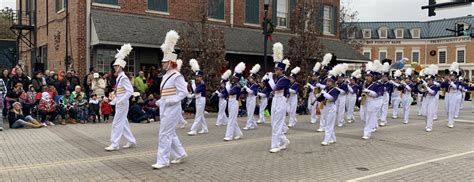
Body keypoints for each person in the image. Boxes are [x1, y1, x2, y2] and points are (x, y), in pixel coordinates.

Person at [152, 30, 188, 169]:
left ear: (170, 62)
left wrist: (173, 100)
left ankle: (163, 160)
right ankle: (180, 154)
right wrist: (162, 101)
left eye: (164, 62)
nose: (162, 64)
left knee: (164, 134)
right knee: (169, 132)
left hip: (172, 108)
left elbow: (183, 92)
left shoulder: (176, 75)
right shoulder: (166, 75)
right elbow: (166, 92)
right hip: (166, 106)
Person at [105, 43, 137, 151]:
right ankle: (131, 141)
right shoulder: (119, 77)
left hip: (122, 103)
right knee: (123, 123)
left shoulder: (123, 78)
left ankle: (114, 144)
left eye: (115, 66)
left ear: (120, 67)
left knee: (116, 123)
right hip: (120, 102)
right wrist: (114, 99)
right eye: (114, 66)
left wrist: (121, 100)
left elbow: (130, 91)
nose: (114, 68)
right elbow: (120, 92)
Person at [265, 43, 290, 153]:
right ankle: (283, 140)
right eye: (275, 69)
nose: (275, 70)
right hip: (275, 99)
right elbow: (269, 89)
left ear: (282, 70)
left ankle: (275, 145)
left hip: (281, 101)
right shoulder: (277, 78)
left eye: (277, 69)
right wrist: (266, 80)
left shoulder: (284, 79)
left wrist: (270, 79)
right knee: (273, 123)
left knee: (277, 124)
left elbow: (275, 88)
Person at [361, 60, 383, 140]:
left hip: (371, 102)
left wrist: (369, 92)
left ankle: (367, 133)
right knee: (363, 117)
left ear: (372, 77)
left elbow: (377, 94)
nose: (367, 77)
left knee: (369, 118)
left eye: (369, 76)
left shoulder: (376, 85)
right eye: (366, 75)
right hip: (364, 102)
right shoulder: (363, 84)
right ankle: (370, 127)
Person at [224, 62, 245, 141]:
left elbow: (230, 92)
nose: (233, 79)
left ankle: (229, 135)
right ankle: (239, 133)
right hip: (230, 101)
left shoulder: (237, 86)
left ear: (238, 79)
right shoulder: (233, 85)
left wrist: (227, 86)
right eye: (233, 78)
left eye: (235, 78)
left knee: (231, 119)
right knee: (232, 118)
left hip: (234, 102)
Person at [188, 59, 208, 136]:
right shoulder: (199, 83)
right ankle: (205, 129)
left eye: (198, 77)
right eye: (196, 77)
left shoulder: (202, 84)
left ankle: (194, 130)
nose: (197, 78)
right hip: (198, 99)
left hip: (201, 100)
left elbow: (196, 91)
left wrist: (193, 84)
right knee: (201, 115)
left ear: (201, 77)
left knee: (198, 115)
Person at [319, 73, 340, 146]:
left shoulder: (336, 90)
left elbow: (332, 98)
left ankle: (326, 140)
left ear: (333, 82)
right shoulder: (326, 89)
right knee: (327, 123)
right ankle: (333, 138)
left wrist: (324, 94)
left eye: (329, 81)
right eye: (327, 81)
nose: (327, 82)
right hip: (325, 107)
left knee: (328, 125)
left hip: (331, 107)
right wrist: (319, 96)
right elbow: (321, 99)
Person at [243, 64, 260, 130]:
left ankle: (248, 125)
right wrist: (244, 88)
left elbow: (252, 92)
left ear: (253, 79)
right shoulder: (249, 84)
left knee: (250, 112)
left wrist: (246, 88)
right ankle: (254, 124)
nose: (249, 79)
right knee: (249, 111)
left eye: (251, 78)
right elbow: (246, 91)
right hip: (248, 98)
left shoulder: (255, 85)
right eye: (249, 78)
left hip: (252, 98)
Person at [423, 65, 440, 132]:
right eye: (428, 80)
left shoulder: (435, 86)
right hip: (425, 100)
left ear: (432, 80)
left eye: (429, 80)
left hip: (431, 100)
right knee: (424, 114)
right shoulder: (426, 85)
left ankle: (429, 126)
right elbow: (421, 91)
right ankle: (427, 124)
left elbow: (433, 93)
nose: (428, 81)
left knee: (430, 114)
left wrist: (427, 87)